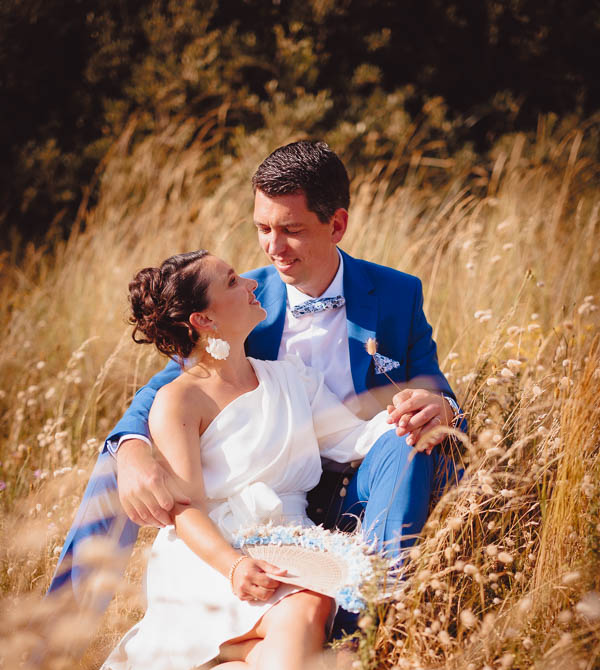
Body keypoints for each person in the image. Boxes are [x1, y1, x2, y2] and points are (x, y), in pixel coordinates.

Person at [47, 140, 463, 640]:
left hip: (361, 482)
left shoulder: (397, 292)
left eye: (290, 230)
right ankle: (53, 645)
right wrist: (130, 449)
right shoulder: (241, 301)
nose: (272, 246)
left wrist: (439, 404)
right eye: (262, 228)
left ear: (336, 225)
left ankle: (368, 629)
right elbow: (168, 390)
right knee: (118, 472)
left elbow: (431, 379)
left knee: (409, 437)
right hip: (264, 498)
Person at [46, 248, 400, 670]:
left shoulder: (293, 380)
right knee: (308, 610)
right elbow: (183, 508)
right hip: (211, 551)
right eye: (234, 282)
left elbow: (356, 440)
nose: (253, 286)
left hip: (290, 538)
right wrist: (231, 565)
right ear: (204, 322)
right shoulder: (178, 400)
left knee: (331, 669)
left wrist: (415, 409)